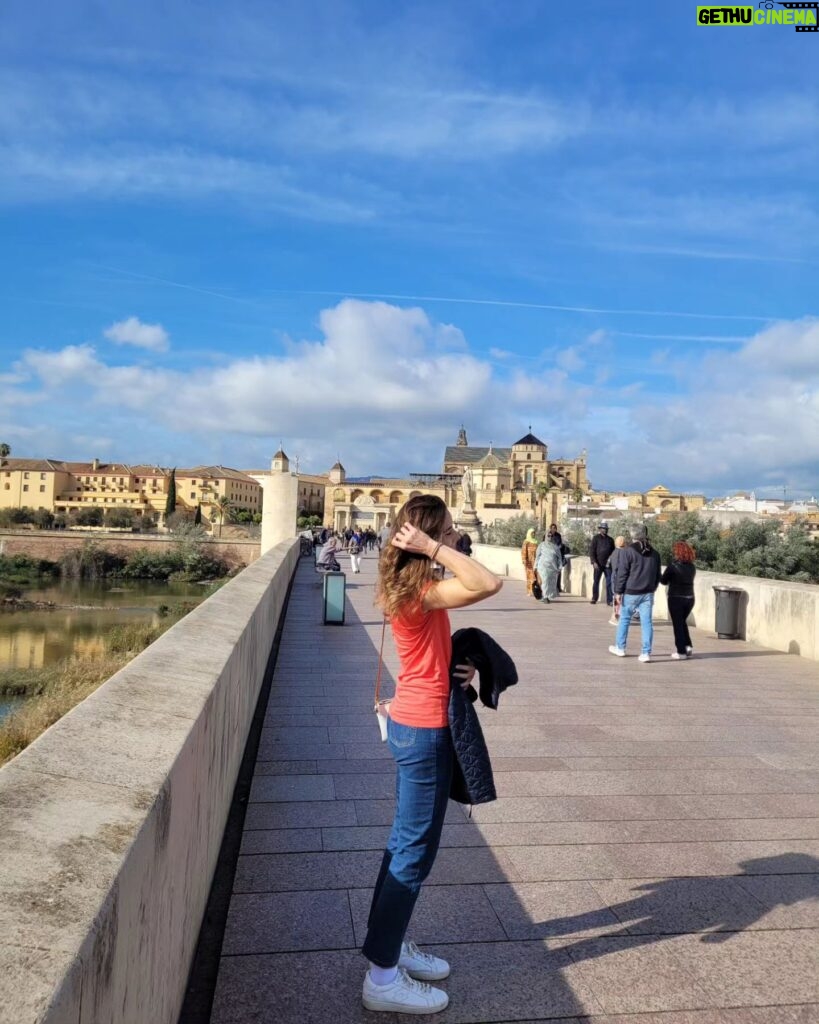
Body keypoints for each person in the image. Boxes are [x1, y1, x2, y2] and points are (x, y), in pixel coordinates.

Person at [362, 495, 501, 1014]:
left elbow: (425, 651)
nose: (455, 534)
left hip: (410, 716)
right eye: (447, 528)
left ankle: (389, 947)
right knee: (413, 853)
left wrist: (452, 671)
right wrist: (433, 545)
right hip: (423, 729)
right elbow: (488, 582)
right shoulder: (421, 591)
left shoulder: (407, 588)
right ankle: (381, 978)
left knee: (403, 843)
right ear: (425, 537)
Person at [609, 523, 662, 663]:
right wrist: (652, 588)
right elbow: (658, 575)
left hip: (631, 592)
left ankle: (620, 647)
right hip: (647, 593)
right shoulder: (655, 553)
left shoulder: (628, 552)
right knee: (647, 622)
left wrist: (618, 592)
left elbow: (622, 574)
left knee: (624, 619)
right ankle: (646, 653)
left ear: (632, 535)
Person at [661, 540, 697, 659]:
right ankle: (688, 646)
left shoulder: (673, 566)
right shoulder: (692, 567)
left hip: (676, 598)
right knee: (682, 622)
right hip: (690, 598)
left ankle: (681, 651)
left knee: (677, 624)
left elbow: (663, 581)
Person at [589, 522, 615, 605]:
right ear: (600, 529)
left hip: (607, 565)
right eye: (603, 528)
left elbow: (613, 552)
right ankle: (594, 598)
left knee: (609, 582)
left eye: (606, 529)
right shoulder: (595, 538)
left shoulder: (610, 540)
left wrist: (610, 560)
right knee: (596, 581)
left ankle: (609, 600)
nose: (605, 530)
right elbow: (592, 551)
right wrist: (594, 562)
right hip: (598, 564)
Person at [534, 533, 563, 603]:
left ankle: (547, 596)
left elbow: (559, 558)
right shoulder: (541, 545)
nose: (550, 537)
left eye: (551, 536)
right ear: (545, 536)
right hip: (543, 566)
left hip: (553, 568)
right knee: (545, 581)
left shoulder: (555, 547)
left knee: (550, 583)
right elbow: (537, 556)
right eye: (548, 536)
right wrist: (535, 566)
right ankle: (545, 597)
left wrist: (560, 567)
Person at [607, 535, 627, 625]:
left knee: (616, 596)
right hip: (620, 576)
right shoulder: (624, 553)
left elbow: (609, 564)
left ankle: (615, 616)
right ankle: (616, 617)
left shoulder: (614, 553)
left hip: (614, 575)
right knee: (619, 597)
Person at [521, 527, 539, 595]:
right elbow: (523, 551)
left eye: (534, 533)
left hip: (535, 561)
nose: (533, 534)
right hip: (529, 561)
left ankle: (535, 590)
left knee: (535, 576)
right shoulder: (526, 542)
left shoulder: (536, 541)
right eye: (532, 533)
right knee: (529, 576)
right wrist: (524, 559)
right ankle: (529, 591)